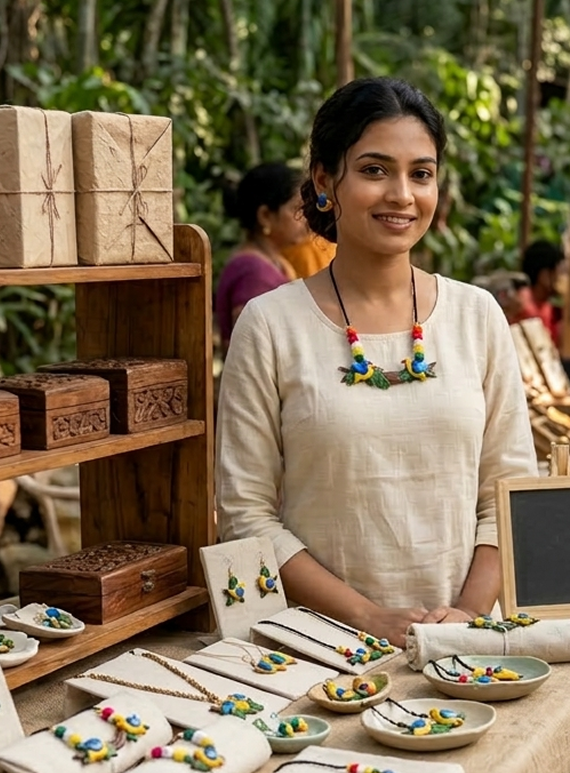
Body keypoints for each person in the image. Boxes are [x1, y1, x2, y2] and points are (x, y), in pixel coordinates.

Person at [215, 76, 537, 646]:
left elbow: (510, 493)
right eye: (373, 170)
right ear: (324, 182)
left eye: (421, 173)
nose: (402, 195)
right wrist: (369, 619)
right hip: (320, 655)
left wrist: (463, 617)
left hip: (469, 652)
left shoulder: (477, 315)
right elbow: (246, 515)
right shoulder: (269, 325)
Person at [215, 163, 307, 351]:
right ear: (265, 216)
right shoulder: (253, 272)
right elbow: (251, 347)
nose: (305, 218)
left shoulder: (273, 262)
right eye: (296, 209)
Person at [509, 240, 565, 343]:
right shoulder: (523, 305)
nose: (560, 278)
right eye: (558, 273)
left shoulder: (548, 306)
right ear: (544, 275)